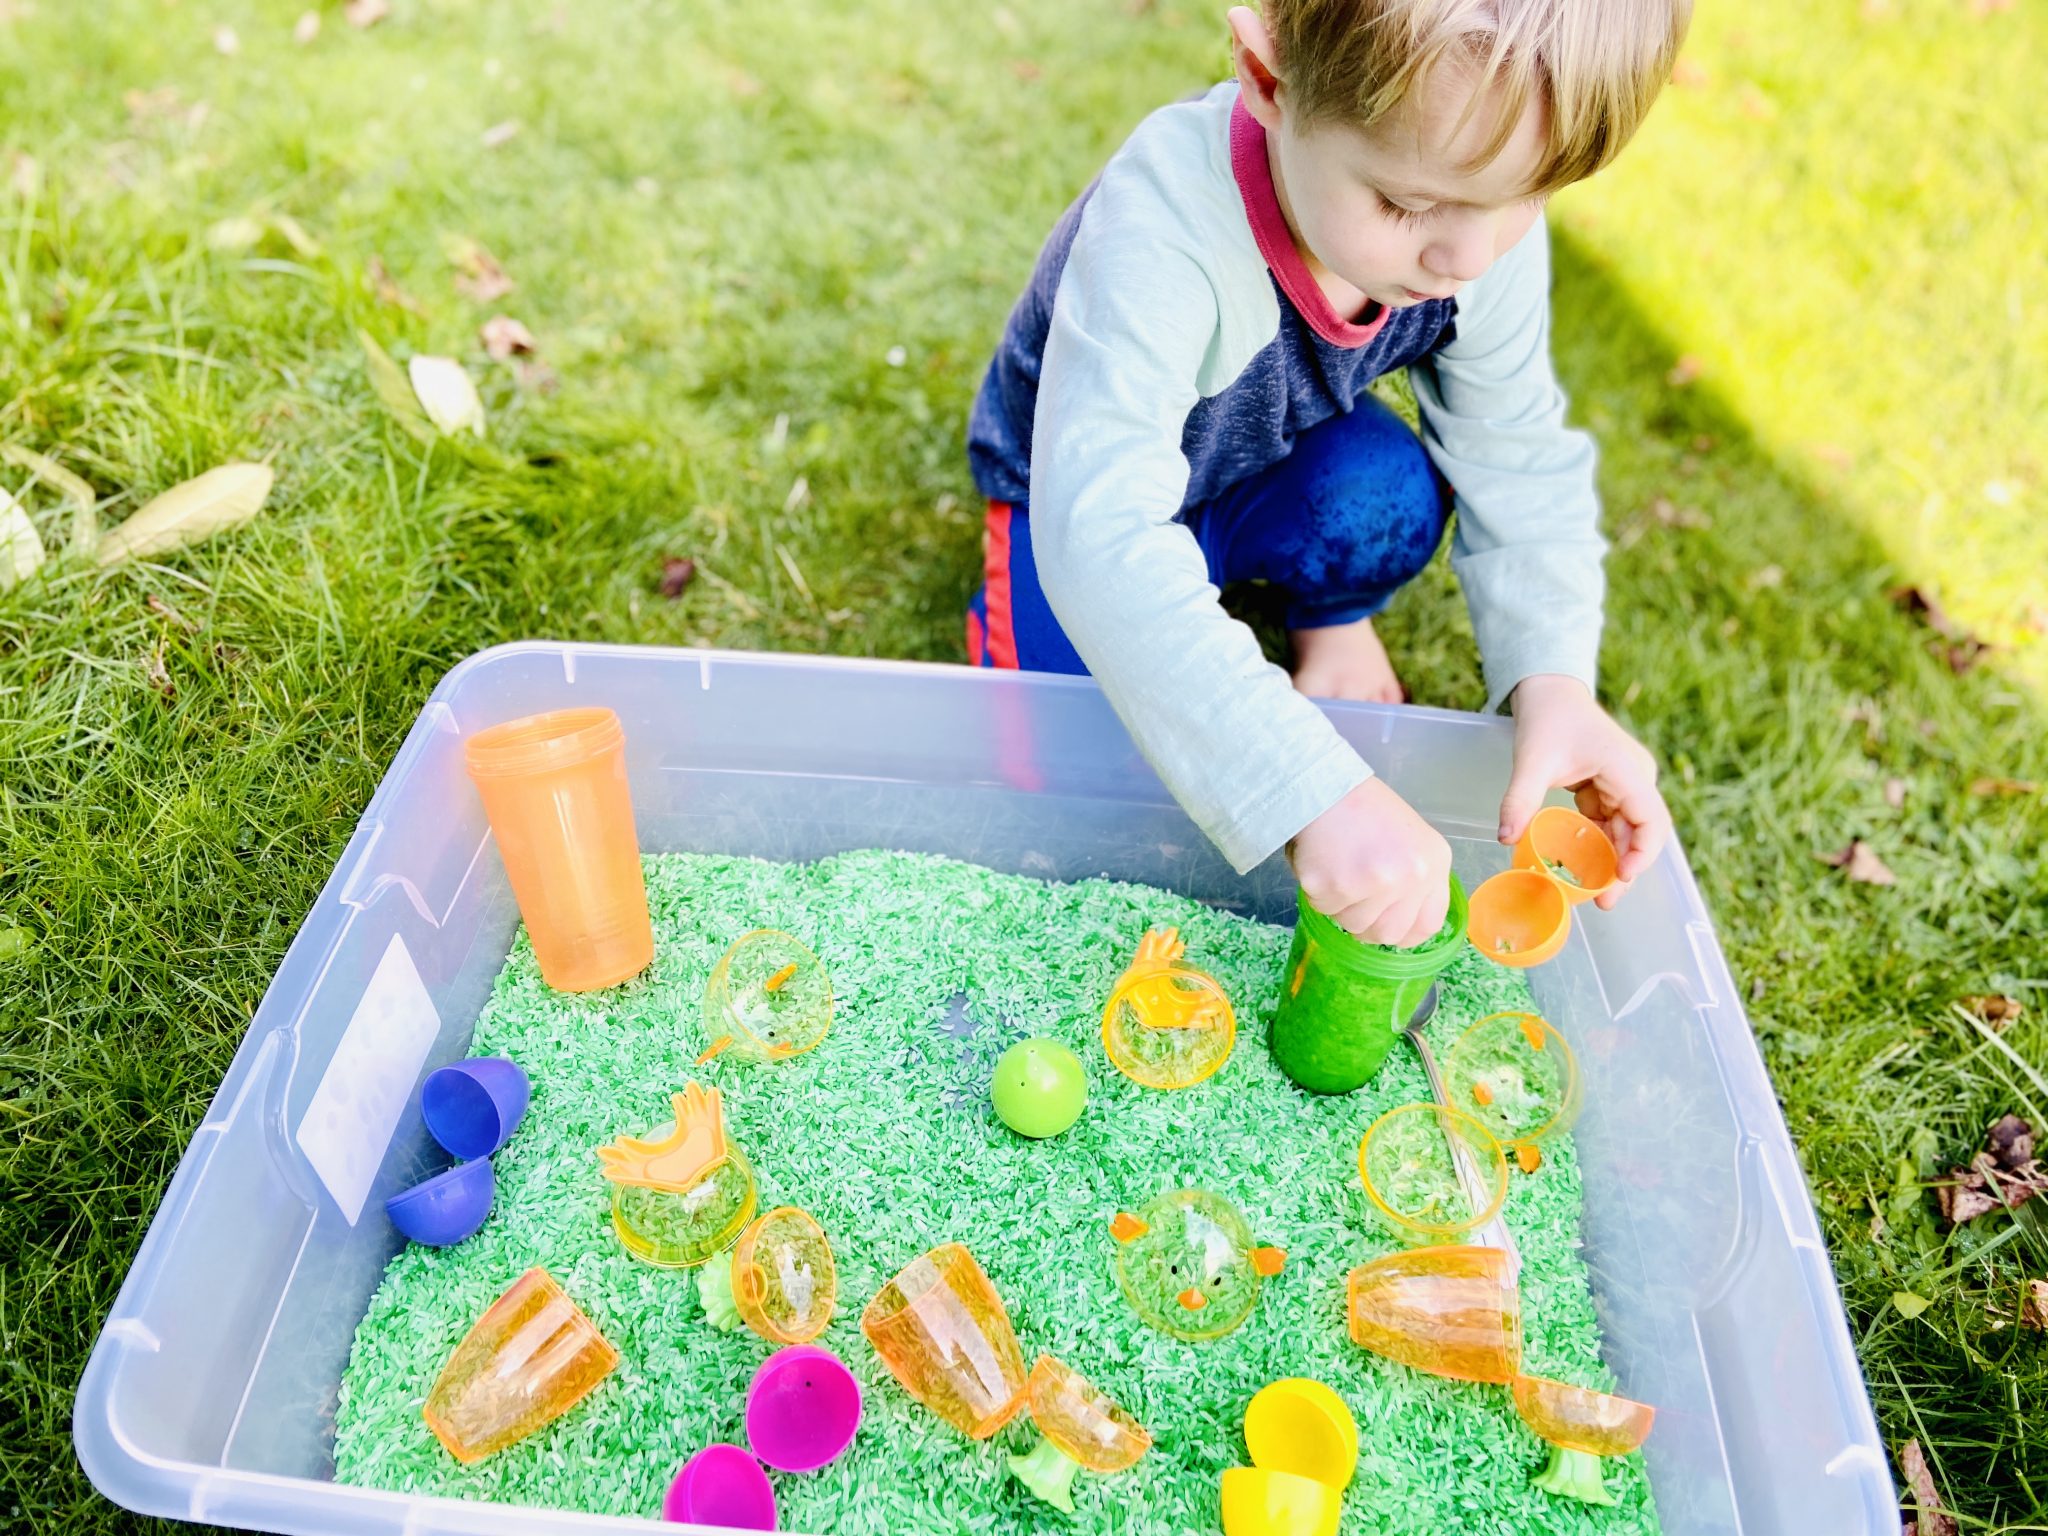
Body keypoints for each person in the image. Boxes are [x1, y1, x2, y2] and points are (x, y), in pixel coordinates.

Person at [965, 0, 1686, 944]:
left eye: (1528, 197)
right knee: (1072, 768)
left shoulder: (1473, 219)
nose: (1467, 256)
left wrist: (1554, 679)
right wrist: (1310, 793)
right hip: (1068, 494)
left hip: (1258, 462)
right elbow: (1099, 534)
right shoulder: (1164, 224)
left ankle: (1329, 616)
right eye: (1407, 204)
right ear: (1270, 83)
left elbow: (1515, 450)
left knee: (1381, 493)